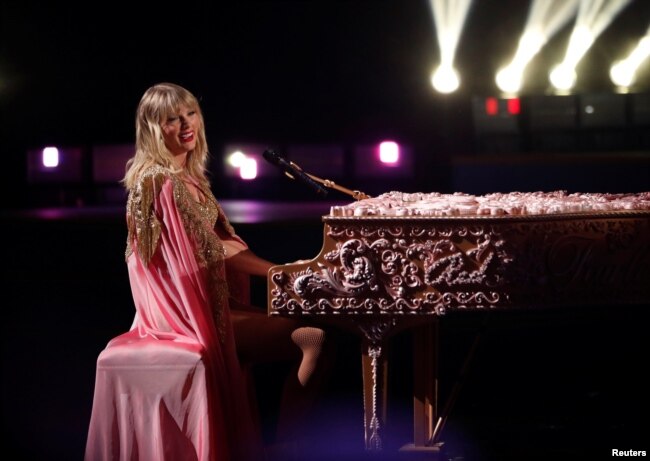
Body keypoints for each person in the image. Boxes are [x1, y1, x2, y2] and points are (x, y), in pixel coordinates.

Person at [85, 82, 330, 461]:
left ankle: (285, 443)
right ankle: (287, 446)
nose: (186, 124)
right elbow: (210, 253)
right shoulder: (158, 181)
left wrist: (289, 269)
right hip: (180, 318)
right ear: (153, 127)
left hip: (207, 304)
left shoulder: (189, 179)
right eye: (172, 119)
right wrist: (279, 272)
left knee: (313, 328)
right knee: (311, 335)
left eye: (191, 114)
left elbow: (225, 243)